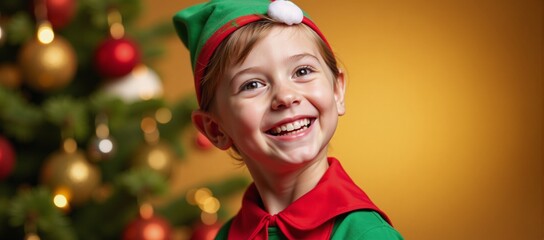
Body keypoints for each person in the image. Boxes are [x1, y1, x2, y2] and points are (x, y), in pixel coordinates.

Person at [173, 0, 404, 239]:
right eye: (252, 84)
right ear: (215, 129)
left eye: (302, 71)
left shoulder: (366, 234)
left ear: (337, 91)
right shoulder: (226, 235)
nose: (285, 96)